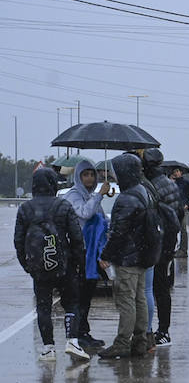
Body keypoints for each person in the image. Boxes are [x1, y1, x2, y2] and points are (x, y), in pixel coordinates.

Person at [13, 164, 88, 361]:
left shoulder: (25, 208)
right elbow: (77, 237)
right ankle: (72, 341)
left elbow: (18, 241)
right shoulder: (63, 205)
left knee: (43, 307)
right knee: (71, 303)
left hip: (39, 267)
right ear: (53, 184)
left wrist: (28, 265)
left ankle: (48, 347)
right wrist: (79, 263)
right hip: (65, 264)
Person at [98, 153, 157, 360]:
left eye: (115, 172)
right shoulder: (143, 191)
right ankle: (140, 342)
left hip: (127, 258)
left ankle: (122, 343)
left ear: (124, 172)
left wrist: (106, 254)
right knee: (139, 298)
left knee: (126, 301)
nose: (114, 176)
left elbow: (118, 233)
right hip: (142, 256)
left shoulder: (127, 198)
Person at [62, 159, 112, 352]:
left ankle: (85, 332)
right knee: (80, 296)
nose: (89, 178)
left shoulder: (91, 195)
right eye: (85, 175)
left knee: (88, 295)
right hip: (79, 253)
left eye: (92, 174)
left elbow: (101, 219)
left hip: (92, 254)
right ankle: (78, 334)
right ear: (78, 177)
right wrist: (99, 195)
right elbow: (85, 213)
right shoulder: (73, 196)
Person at [134, 148, 181, 349]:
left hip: (155, 242)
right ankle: (163, 330)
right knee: (161, 288)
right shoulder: (170, 184)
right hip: (168, 241)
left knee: (150, 289)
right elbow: (178, 213)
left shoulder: (149, 186)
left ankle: (155, 331)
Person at [169, 162, 189, 257]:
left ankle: (184, 250)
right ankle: (174, 248)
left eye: (177, 171)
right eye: (174, 172)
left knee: (183, 229)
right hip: (173, 209)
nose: (175, 173)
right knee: (173, 229)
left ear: (181, 172)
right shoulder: (172, 182)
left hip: (183, 210)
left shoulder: (186, 182)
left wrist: (188, 205)